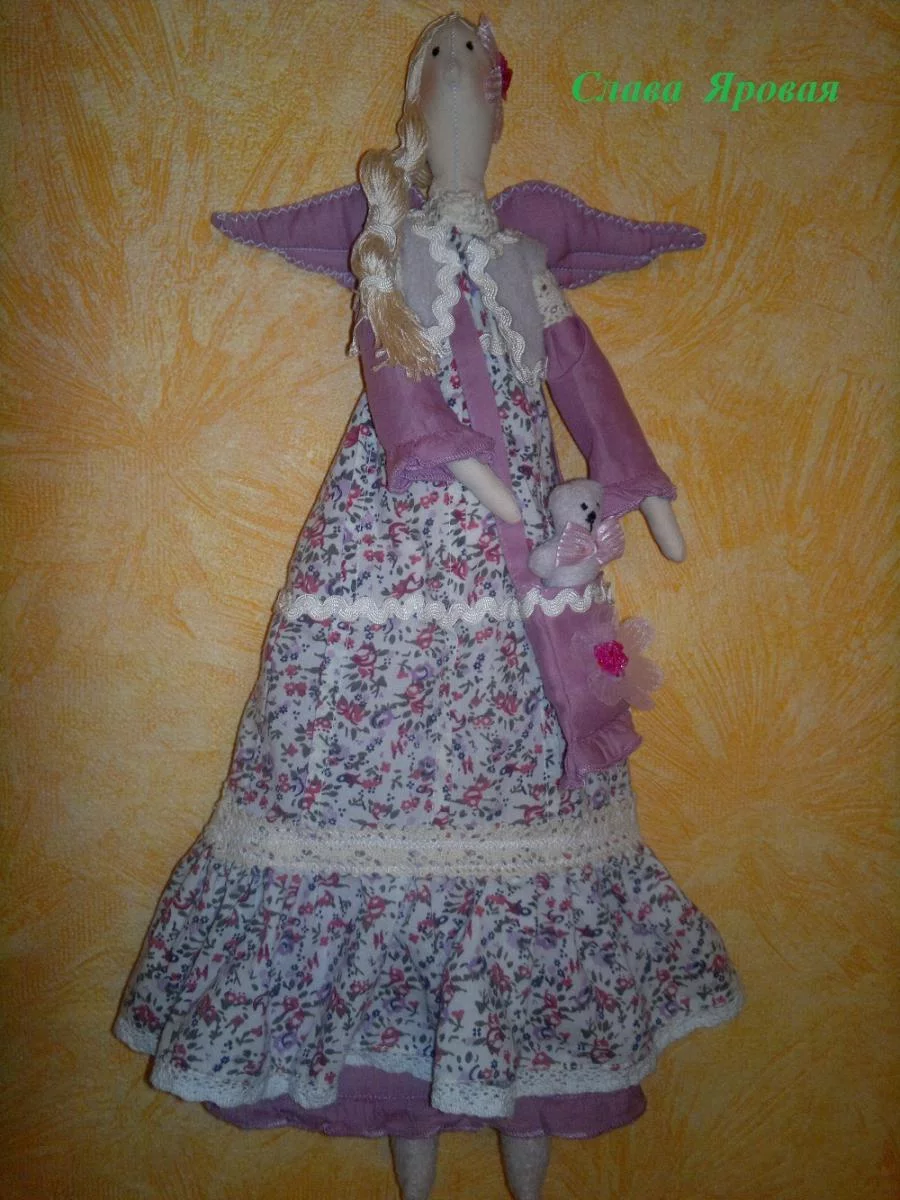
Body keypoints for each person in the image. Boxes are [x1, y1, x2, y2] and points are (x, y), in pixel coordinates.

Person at [115, 15, 741, 1200]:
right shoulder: (387, 240)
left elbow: (583, 378)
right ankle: (409, 1139)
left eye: (474, 61)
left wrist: (640, 486)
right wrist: (491, 485)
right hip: (395, 547)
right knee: (370, 776)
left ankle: (521, 1141)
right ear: (416, 92)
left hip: (528, 585)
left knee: (525, 790)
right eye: (440, 55)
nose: (459, 69)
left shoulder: (524, 253)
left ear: (501, 103)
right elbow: (398, 385)